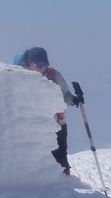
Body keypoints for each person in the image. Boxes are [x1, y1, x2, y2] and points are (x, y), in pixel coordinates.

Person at [13, 46, 77, 175]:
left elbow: (65, 94)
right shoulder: (20, 76)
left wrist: (73, 100)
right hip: (33, 126)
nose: (42, 67)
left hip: (57, 124)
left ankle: (64, 180)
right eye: (39, 64)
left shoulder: (53, 75)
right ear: (30, 63)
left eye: (45, 64)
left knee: (60, 156)